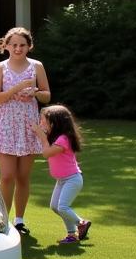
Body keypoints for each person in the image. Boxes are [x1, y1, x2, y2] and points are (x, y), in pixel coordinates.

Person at [0, 26, 51, 236]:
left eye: (22, 45)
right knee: (8, 175)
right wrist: (15, 89)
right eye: (14, 45)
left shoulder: (36, 66)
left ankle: (19, 221)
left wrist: (35, 92)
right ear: (6, 46)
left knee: (23, 176)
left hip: (28, 125)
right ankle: (3, 221)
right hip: (5, 125)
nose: (18, 48)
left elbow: (47, 96)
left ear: (29, 46)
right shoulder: (0, 67)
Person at [31, 104, 91, 245]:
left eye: (44, 121)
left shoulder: (63, 139)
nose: (41, 123)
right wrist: (41, 134)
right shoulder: (56, 137)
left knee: (63, 207)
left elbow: (46, 153)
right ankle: (72, 234)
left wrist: (41, 136)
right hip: (62, 180)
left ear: (54, 123)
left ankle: (81, 223)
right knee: (55, 207)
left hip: (72, 179)